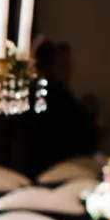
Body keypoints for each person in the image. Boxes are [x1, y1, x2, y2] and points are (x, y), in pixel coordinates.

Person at [13, 39, 99, 177]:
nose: (69, 70)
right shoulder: (54, 94)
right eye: (64, 65)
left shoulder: (35, 92)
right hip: (54, 169)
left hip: (32, 168)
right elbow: (84, 139)